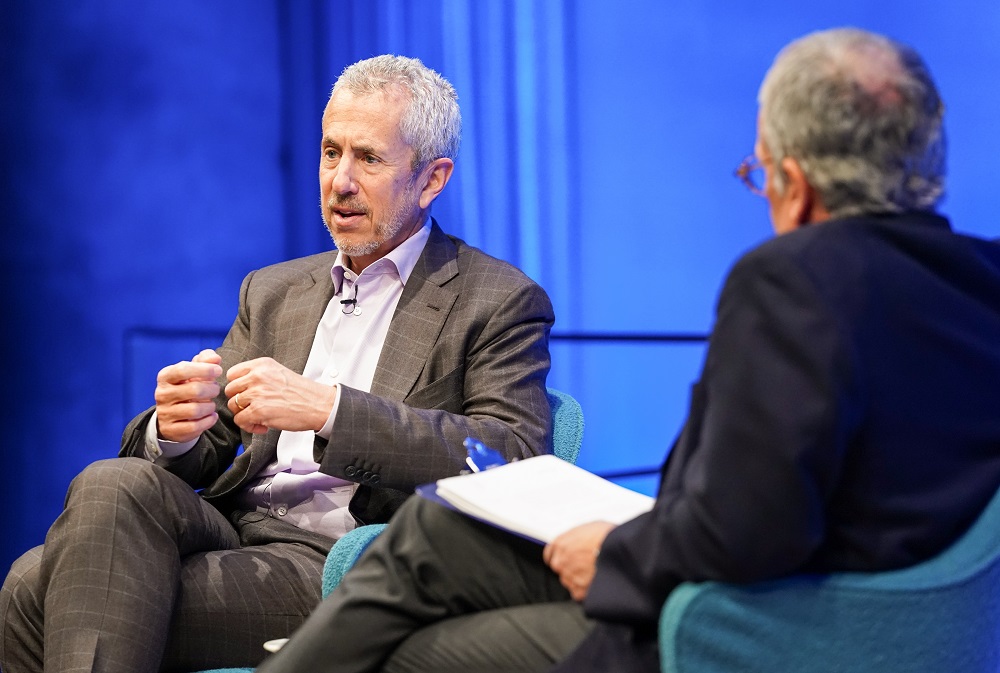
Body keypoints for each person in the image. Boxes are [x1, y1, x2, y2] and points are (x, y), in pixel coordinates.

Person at [253, 27, 1000, 673]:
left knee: (401, 646)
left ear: (796, 185)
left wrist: (617, 552)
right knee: (435, 527)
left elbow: (755, 525)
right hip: (885, 615)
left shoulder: (795, 280)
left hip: (746, 627)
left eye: (758, 176)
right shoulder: (984, 282)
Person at [0, 55, 556, 673]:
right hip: (234, 527)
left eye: (368, 159)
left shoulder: (495, 298)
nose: (340, 180)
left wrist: (330, 411)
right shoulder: (273, 291)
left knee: (33, 588)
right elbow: (214, 439)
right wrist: (175, 429)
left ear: (432, 179)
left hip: (339, 562)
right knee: (113, 479)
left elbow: (513, 456)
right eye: (329, 152)